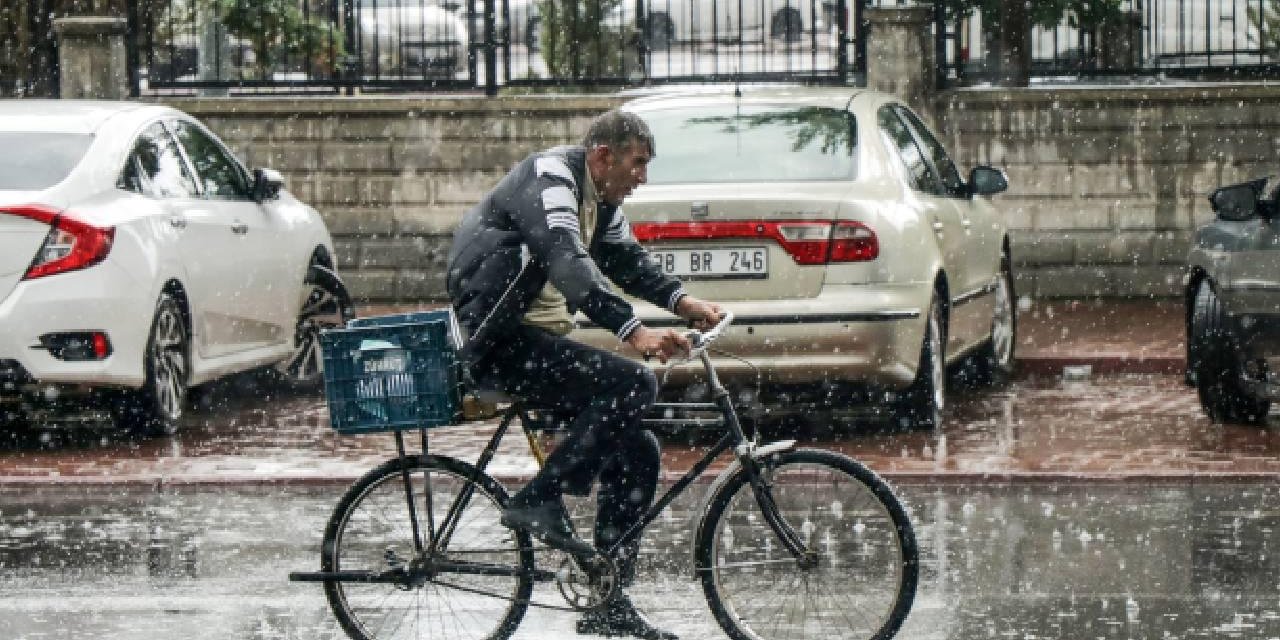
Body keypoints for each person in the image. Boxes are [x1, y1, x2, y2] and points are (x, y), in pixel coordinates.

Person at [446, 108, 722, 640]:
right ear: (603, 156)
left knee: (638, 447)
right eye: (637, 163)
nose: (642, 176)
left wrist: (683, 301)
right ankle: (540, 499)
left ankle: (607, 600)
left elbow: (625, 261)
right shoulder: (552, 180)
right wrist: (633, 331)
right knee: (634, 382)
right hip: (496, 340)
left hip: (533, 339)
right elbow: (569, 265)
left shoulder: (601, 199)